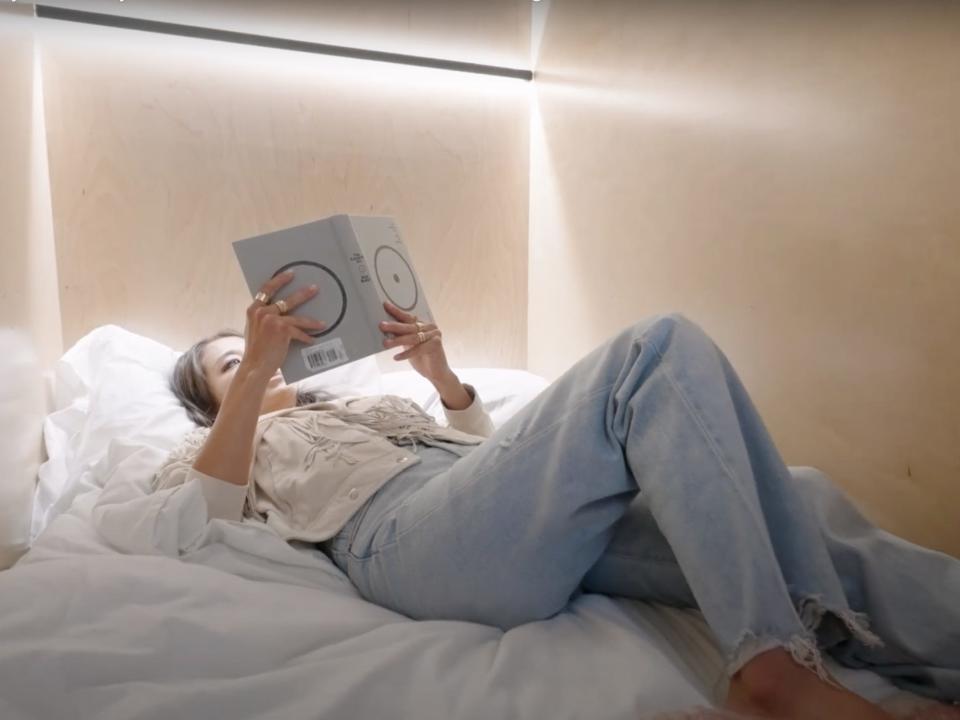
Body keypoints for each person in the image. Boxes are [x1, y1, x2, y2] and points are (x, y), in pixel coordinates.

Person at [164, 270, 960, 720]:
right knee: (656, 347)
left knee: (794, 497)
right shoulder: (218, 447)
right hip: (403, 541)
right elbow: (199, 519)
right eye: (231, 364)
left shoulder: (363, 402)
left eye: (255, 352)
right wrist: (256, 375)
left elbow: (496, 467)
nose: (257, 361)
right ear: (210, 402)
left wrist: (439, 376)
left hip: (491, 516)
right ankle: (772, 675)